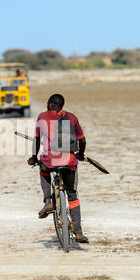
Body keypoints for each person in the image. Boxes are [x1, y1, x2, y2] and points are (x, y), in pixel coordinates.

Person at [27, 94, 89, 243]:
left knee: (43, 169)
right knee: (72, 195)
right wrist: (80, 154)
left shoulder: (42, 117)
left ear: (49, 104)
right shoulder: (72, 118)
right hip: (69, 161)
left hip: (50, 161)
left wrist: (33, 157)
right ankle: (78, 232)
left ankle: (48, 200)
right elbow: (83, 140)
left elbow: (36, 140)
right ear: (61, 105)